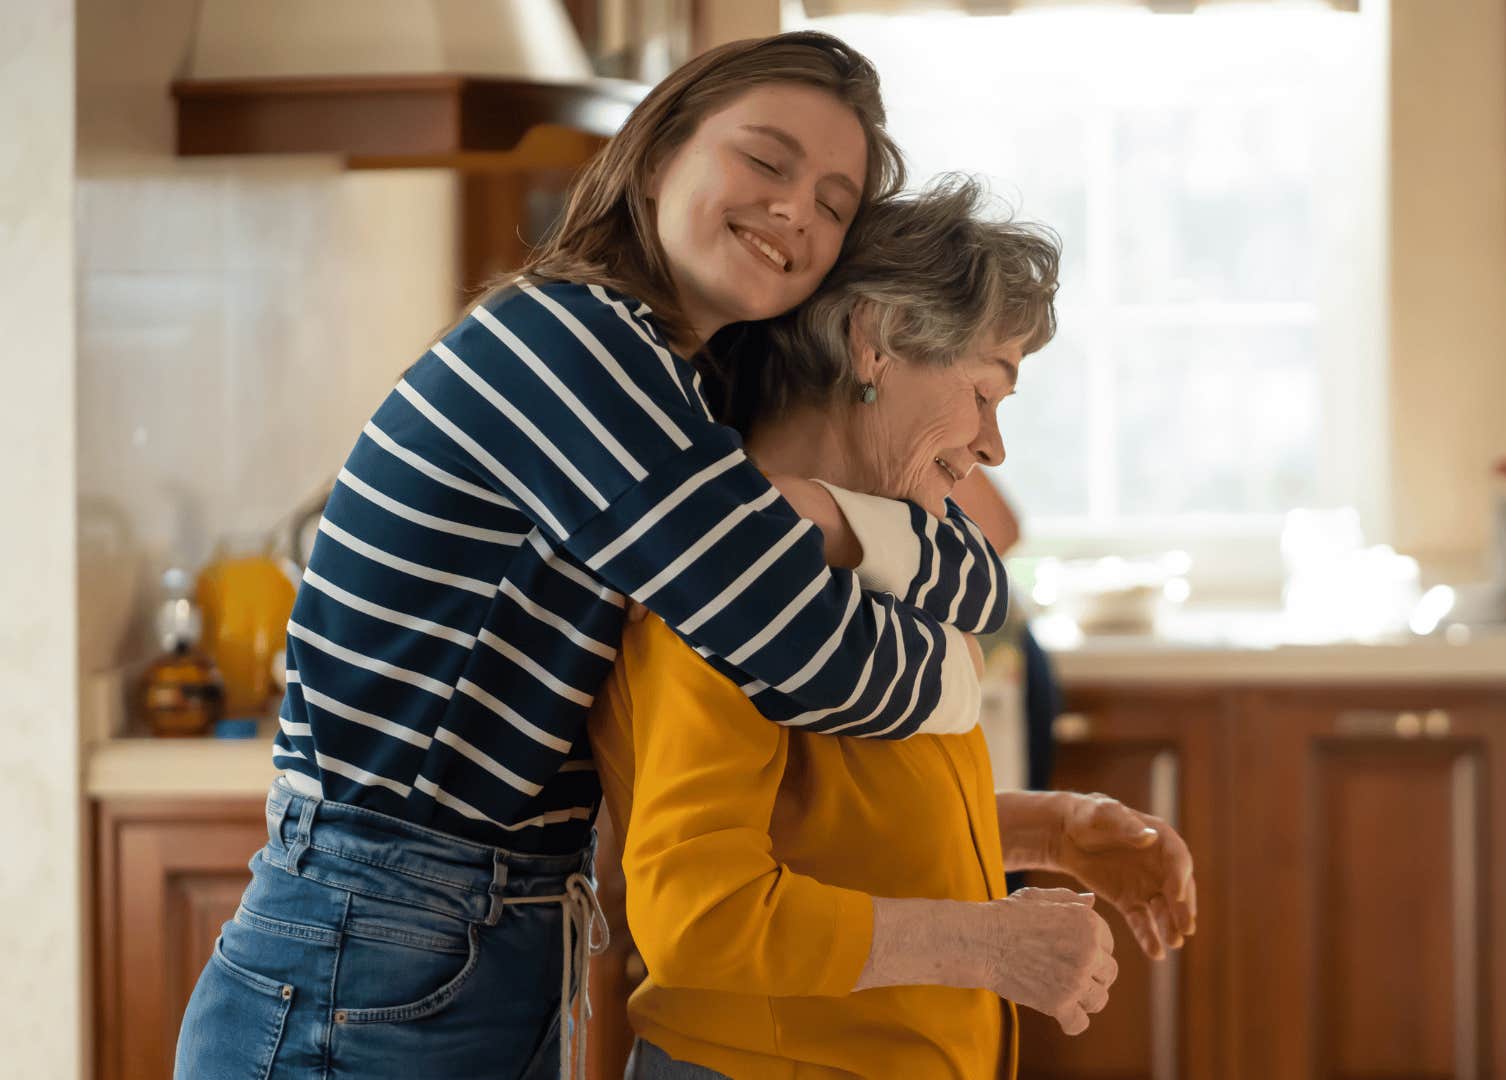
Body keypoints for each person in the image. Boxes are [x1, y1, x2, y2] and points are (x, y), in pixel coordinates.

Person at [175, 33, 1013, 1080]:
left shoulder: (681, 391)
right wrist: (960, 673)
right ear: (658, 155)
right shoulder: (575, 348)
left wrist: (842, 527)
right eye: (767, 160)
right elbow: (807, 657)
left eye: (836, 203)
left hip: (478, 924)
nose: (799, 209)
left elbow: (976, 569)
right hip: (375, 921)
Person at [589, 176, 1197, 1080]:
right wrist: (987, 947)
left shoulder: (875, 552)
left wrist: (1049, 835)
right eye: (985, 393)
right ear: (875, 346)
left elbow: (834, 830)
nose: (993, 447)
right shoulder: (724, 587)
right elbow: (701, 919)